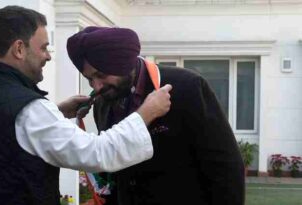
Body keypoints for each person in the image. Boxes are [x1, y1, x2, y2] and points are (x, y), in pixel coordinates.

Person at [0, 6, 172, 205]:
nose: (48, 57)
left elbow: (7, 139)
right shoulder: (30, 111)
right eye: (43, 48)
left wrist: (57, 113)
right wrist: (146, 112)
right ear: (19, 49)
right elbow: (99, 152)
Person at [67, 26, 245, 205]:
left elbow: (225, 166)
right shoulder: (102, 103)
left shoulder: (187, 87)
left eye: (101, 75)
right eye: (89, 78)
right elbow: (115, 171)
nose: (96, 87)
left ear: (124, 63)